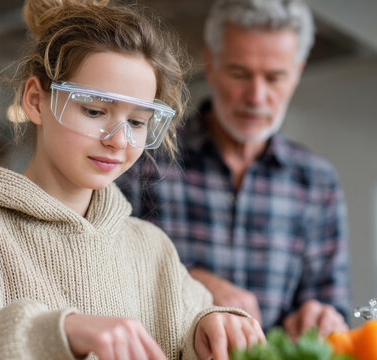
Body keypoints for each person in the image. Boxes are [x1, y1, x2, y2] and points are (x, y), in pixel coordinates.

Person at [0, 0, 266, 359]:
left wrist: (208, 328)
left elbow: (193, 329)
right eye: (94, 111)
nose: (117, 141)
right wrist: (55, 334)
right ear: (36, 101)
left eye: (137, 122)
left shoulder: (151, 247)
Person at [117, 0, 350, 340]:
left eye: (275, 77)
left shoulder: (317, 182)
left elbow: (330, 300)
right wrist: (188, 279)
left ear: (297, 72)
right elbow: (106, 267)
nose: (256, 96)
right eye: (240, 73)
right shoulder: (145, 158)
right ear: (210, 64)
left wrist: (322, 316)